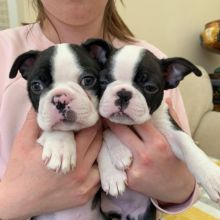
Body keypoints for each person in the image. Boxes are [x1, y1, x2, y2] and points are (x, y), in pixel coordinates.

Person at [0, 0, 199, 219]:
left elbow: (184, 180)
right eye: (38, 86)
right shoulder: (5, 51)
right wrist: (13, 198)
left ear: (100, 59)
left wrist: (180, 187)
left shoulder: (152, 62)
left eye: (87, 81)